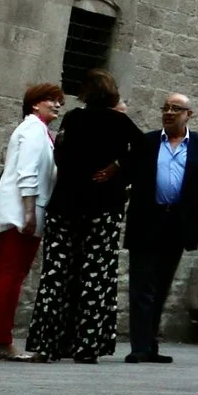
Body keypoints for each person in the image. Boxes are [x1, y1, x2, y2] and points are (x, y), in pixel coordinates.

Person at [27, 70, 141, 363]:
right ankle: (87, 346)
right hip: (102, 207)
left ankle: (48, 344)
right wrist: (118, 166)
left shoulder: (73, 119)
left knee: (56, 275)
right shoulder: (120, 122)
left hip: (66, 204)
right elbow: (147, 151)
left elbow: (61, 155)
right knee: (96, 275)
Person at [122, 93, 198, 363]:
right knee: (141, 285)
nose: (169, 113)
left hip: (177, 223)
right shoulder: (147, 142)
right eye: (166, 108)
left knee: (161, 285)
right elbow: (126, 172)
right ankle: (140, 347)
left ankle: (150, 344)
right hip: (147, 219)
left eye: (176, 109)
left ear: (189, 115)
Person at [0, 82, 61, 361]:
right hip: (21, 208)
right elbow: (28, 171)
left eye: (59, 101)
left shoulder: (33, 130)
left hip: (12, 207)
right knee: (10, 276)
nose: (57, 105)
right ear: (35, 104)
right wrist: (30, 211)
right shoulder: (33, 130)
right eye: (51, 100)